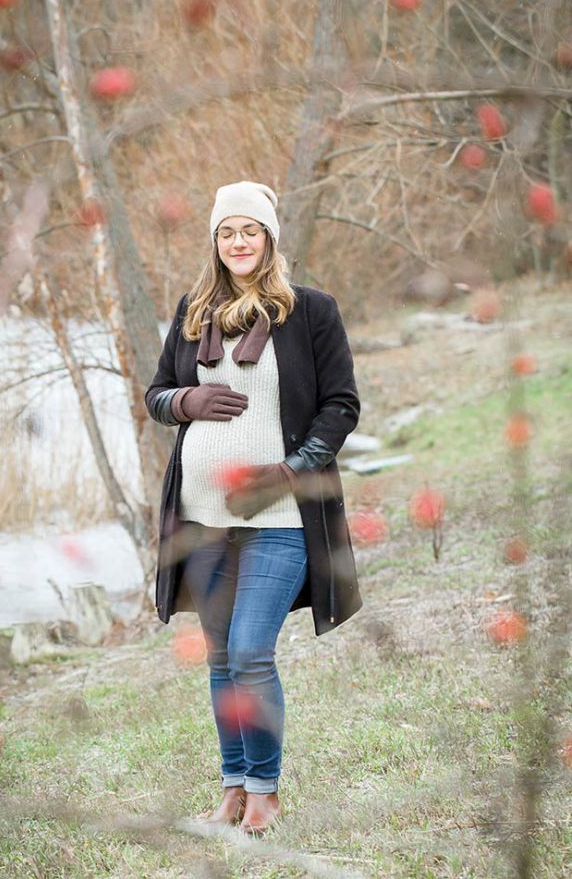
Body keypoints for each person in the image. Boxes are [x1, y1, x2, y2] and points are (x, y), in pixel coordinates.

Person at [145, 181, 362, 835]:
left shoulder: (311, 312)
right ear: (215, 242)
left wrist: (291, 470)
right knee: (219, 658)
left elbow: (341, 406)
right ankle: (233, 788)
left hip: (278, 518)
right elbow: (156, 394)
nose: (238, 242)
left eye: (250, 231)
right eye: (227, 232)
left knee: (249, 653)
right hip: (203, 517)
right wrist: (187, 403)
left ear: (269, 239)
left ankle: (266, 791)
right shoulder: (193, 310)